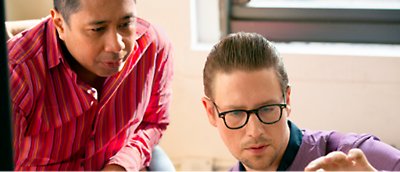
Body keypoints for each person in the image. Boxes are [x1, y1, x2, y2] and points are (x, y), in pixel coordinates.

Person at [7, 0, 173, 170]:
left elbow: (153, 122)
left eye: (125, 24)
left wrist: (123, 164)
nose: (117, 45)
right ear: (60, 25)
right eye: (98, 29)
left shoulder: (152, 47)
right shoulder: (16, 75)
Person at [201, 32, 400, 171]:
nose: (255, 131)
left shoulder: (355, 155)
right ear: (211, 112)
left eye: (268, 108)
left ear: (287, 99)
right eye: (236, 113)